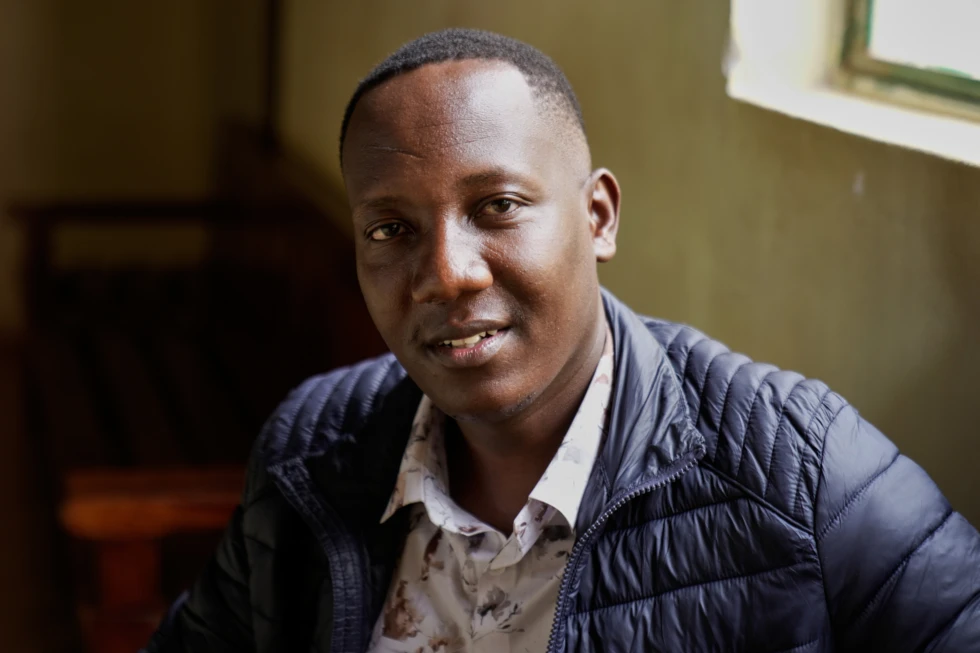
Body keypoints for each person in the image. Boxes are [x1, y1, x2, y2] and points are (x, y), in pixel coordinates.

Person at [144, 28, 980, 652]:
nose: (446, 273)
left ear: (598, 215)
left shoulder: (802, 473)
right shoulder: (311, 451)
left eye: (496, 206)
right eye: (390, 228)